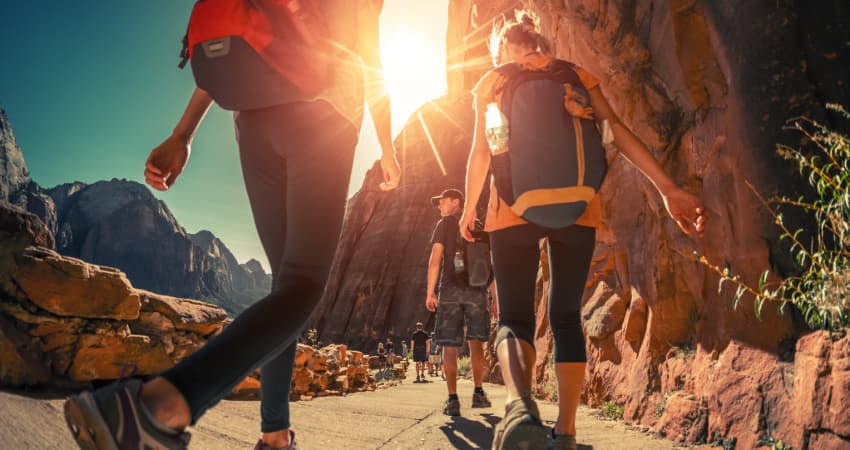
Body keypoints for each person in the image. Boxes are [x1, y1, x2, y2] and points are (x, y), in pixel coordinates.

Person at [63, 2, 401, 450]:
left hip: (253, 119)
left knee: (287, 285)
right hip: (321, 116)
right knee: (303, 284)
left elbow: (247, 35)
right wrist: (390, 148)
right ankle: (156, 406)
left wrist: (183, 134)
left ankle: (275, 436)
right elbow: (370, 59)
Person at [460, 10, 706, 450]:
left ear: (503, 49)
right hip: (578, 206)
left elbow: (484, 149)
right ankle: (567, 432)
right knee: (567, 317)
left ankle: (520, 405)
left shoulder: (494, 81)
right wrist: (667, 188)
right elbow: (618, 135)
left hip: (512, 209)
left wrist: (469, 209)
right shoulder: (575, 76)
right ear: (543, 44)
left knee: (514, 317)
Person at [426, 188, 492, 416]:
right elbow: (490, 264)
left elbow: (435, 260)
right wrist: (492, 296)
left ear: (456, 202)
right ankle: (479, 393)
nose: (439, 206)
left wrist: (430, 292)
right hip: (477, 291)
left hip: (451, 290)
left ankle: (452, 399)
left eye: (442, 201)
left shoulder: (444, 225)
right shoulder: (481, 225)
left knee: (449, 346)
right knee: (476, 343)